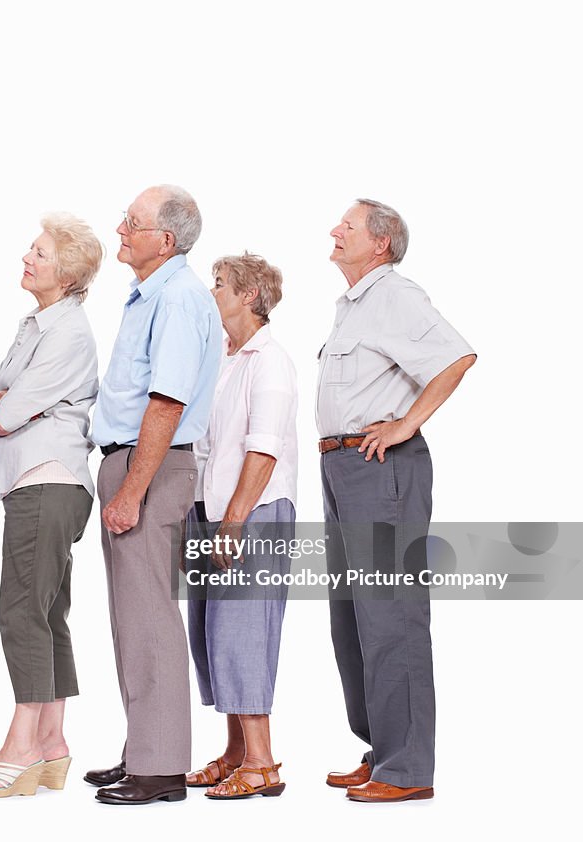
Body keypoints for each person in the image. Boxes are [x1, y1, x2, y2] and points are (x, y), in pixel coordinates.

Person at [318, 199, 475, 803]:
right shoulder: (352, 306)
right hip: (341, 466)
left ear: (379, 243)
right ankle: (382, 748)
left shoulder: (396, 294)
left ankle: (407, 768)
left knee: (391, 616)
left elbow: (457, 356)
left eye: (348, 226)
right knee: (350, 617)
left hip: (381, 467)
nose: (335, 231)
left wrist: (408, 423)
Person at [85, 185, 220, 805]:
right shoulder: (151, 296)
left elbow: (167, 400)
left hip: (151, 469)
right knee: (131, 620)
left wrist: (133, 488)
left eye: (131, 223)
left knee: (150, 620)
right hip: (133, 464)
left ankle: (161, 767)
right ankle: (143, 749)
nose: (119, 229)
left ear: (164, 240)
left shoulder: (181, 297)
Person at [0, 214, 102, 798]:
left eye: (40, 252)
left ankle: (20, 746)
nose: (28, 256)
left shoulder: (68, 331)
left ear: (65, 272)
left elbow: (0, 414)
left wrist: (10, 405)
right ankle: (51, 743)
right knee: (46, 614)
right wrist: (8, 402)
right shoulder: (35, 324)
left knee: (21, 610)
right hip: (38, 479)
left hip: (48, 478)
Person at [185, 253, 297, 800]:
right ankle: (234, 753)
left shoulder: (268, 360)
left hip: (252, 514)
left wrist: (234, 522)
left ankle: (262, 762)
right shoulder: (223, 358)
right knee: (212, 636)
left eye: (221, 283)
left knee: (245, 633)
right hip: (212, 513)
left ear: (250, 295)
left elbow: (264, 448)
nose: (213, 291)